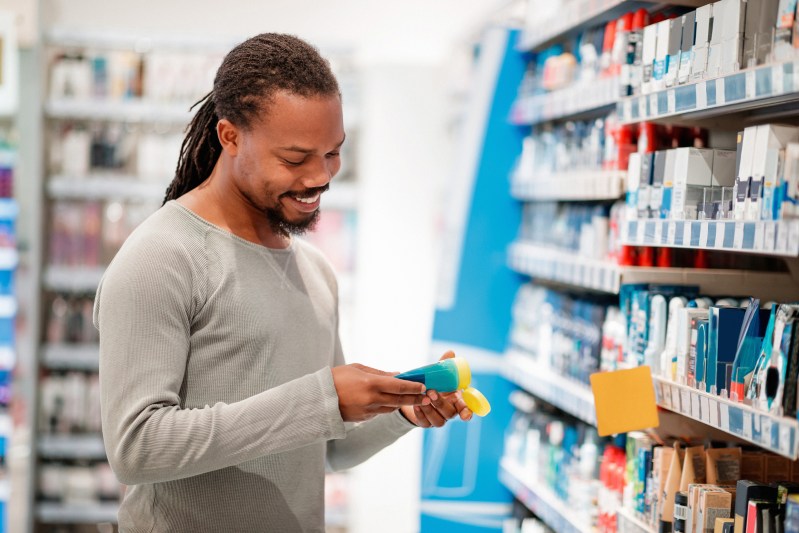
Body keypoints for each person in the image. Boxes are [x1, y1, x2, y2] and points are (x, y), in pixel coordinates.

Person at [93, 33, 473, 532]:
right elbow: (136, 449)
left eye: (332, 153)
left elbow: (325, 447)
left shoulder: (314, 272)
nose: (320, 177)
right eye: (295, 159)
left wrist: (402, 409)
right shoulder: (162, 258)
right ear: (230, 137)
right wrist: (322, 399)